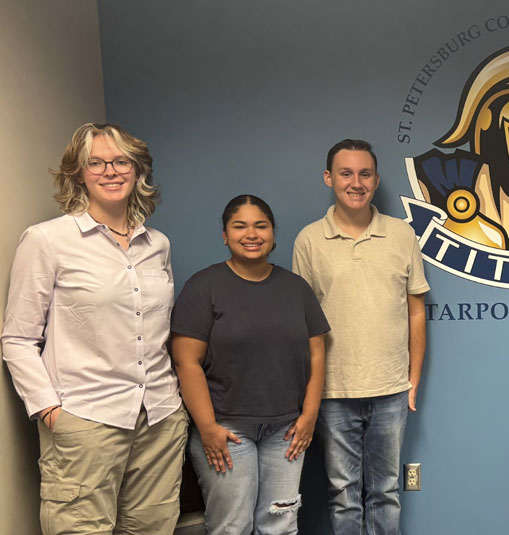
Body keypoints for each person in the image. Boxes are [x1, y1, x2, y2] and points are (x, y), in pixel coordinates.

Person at [1, 122, 188, 534]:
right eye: (96, 163)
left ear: (138, 170)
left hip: (158, 417)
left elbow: (157, 332)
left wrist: (174, 407)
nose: (110, 171)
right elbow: (17, 338)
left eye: (121, 161)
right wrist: (49, 410)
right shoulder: (47, 240)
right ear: (78, 173)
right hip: (85, 419)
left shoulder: (157, 244)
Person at [293, 139, 429, 535]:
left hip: (390, 389)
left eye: (365, 173)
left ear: (376, 179)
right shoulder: (309, 241)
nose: (356, 182)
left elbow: (416, 311)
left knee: (386, 491)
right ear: (329, 178)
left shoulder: (401, 235)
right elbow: (303, 324)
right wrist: (310, 391)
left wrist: (413, 378)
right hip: (333, 392)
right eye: (346, 173)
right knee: (344, 493)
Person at [170, 195, 329, 535]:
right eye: (239, 226)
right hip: (227, 430)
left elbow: (317, 353)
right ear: (225, 235)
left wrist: (310, 415)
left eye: (261, 225)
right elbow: (187, 362)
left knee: (280, 523)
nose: (251, 234)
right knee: (232, 526)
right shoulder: (203, 287)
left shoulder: (296, 289)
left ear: (273, 233)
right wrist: (208, 427)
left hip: (286, 430)